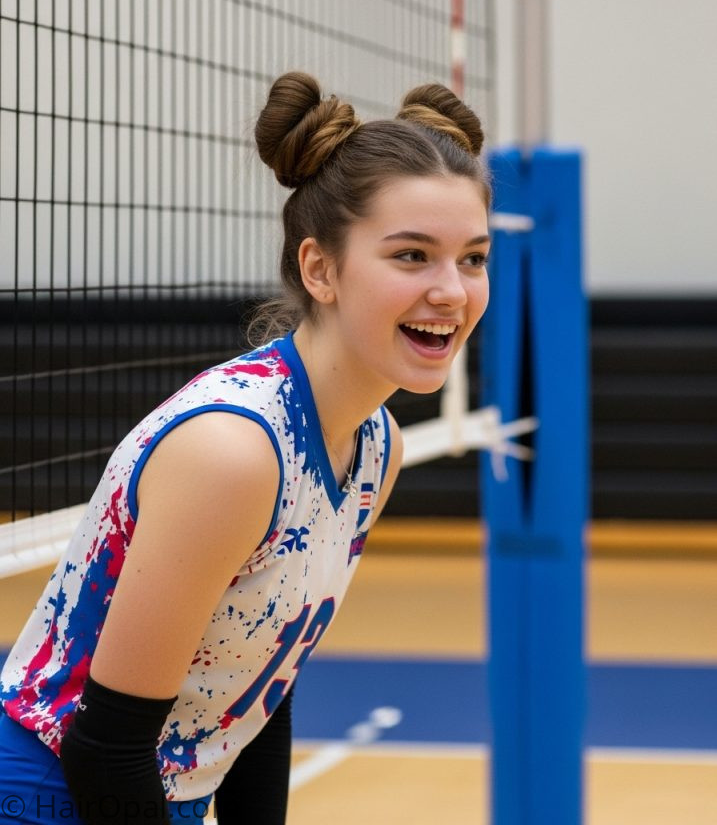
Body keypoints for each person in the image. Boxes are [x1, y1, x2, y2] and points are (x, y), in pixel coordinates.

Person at [0, 72, 491, 825]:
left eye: (472, 258)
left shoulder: (373, 444)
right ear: (319, 269)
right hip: (49, 794)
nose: (452, 291)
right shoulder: (233, 453)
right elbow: (106, 744)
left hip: (154, 793)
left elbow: (258, 682)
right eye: (411, 256)